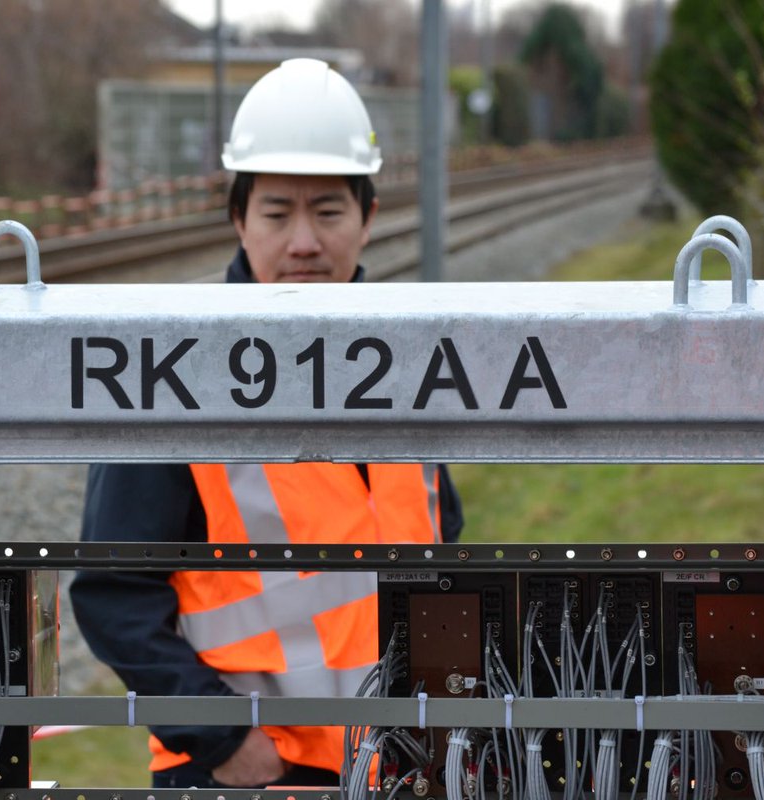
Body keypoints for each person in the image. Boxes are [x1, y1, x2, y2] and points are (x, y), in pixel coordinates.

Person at [69, 58, 463, 790]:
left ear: (369, 217)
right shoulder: (180, 376)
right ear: (239, 220)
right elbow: (113, 594)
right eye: (278, 213)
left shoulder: (411, 369)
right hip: (248, 775)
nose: (304, 242)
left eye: (329, 212)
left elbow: (442, 542)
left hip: (393, 769)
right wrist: (223, 741)